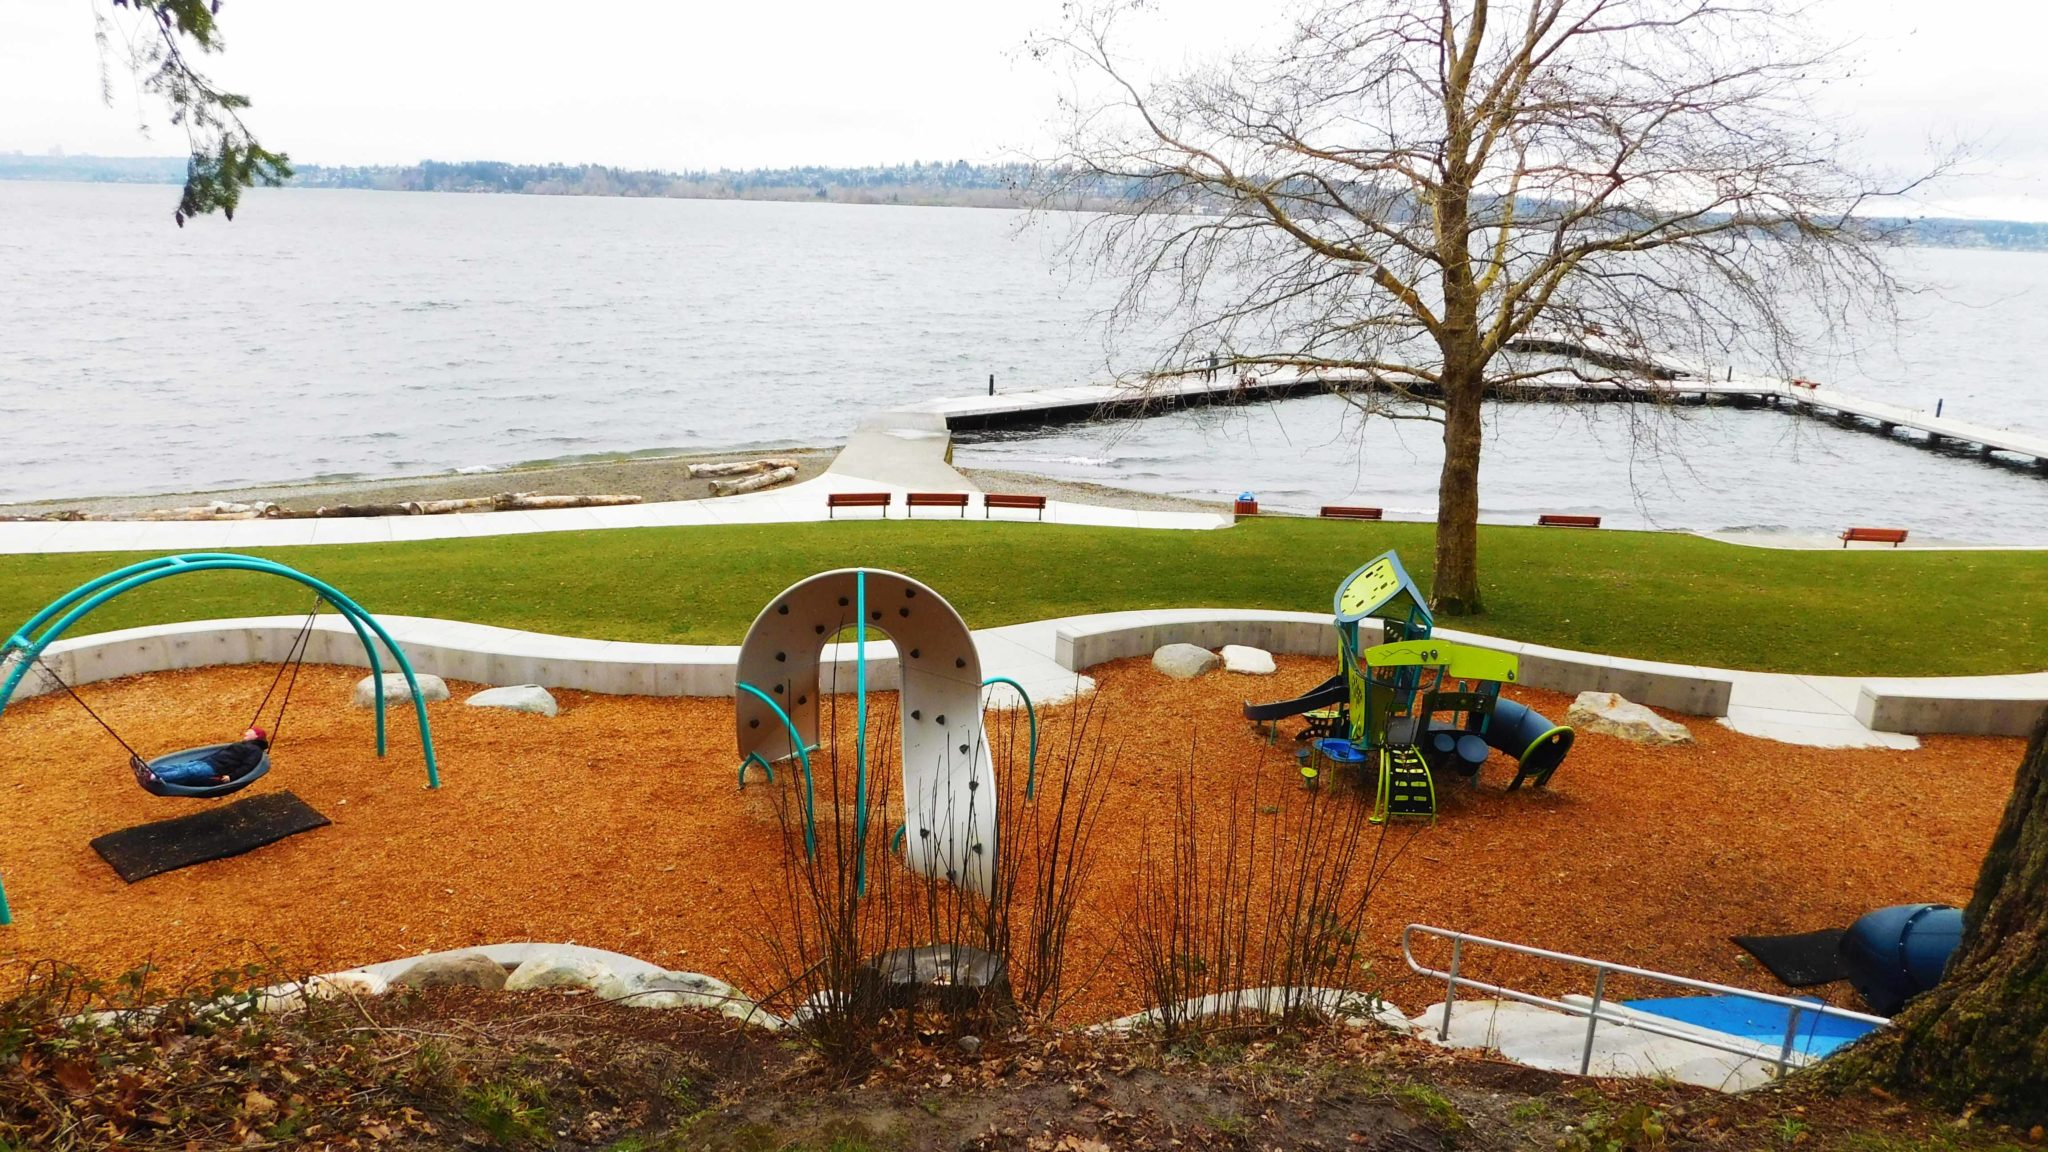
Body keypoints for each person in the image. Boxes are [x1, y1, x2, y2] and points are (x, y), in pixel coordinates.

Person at [152, 726, 269, 786]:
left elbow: (248, 766)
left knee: (188, 771)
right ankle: (152, 771)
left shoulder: (255, 750)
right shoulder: (244, 745)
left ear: (256, 736)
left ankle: (157, 777)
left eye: (250, 732)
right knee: (180, 767)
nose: (246, 733)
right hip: (208, 761)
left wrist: (231, 777)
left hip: (215, 769)